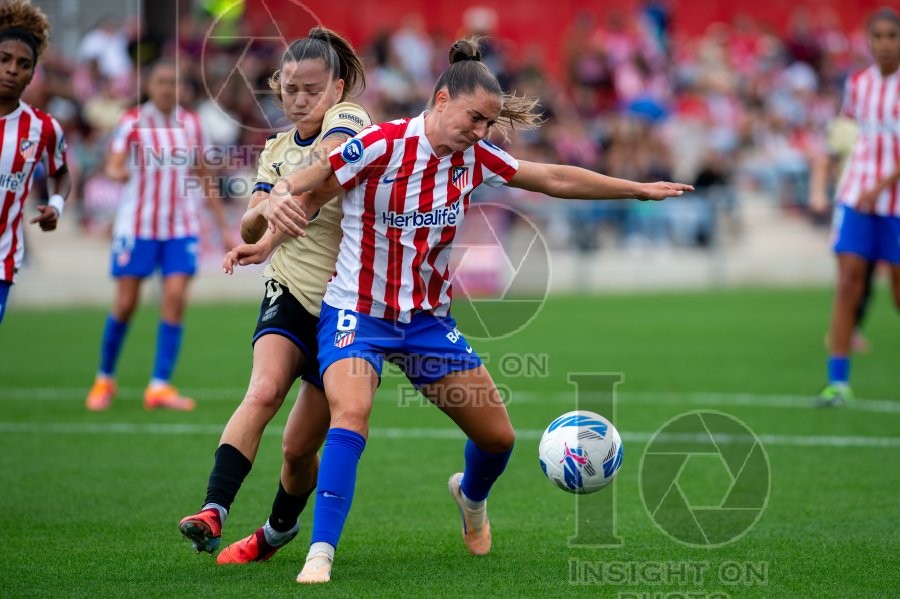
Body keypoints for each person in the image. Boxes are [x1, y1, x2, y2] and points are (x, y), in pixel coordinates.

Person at [266, 37, 692, 584]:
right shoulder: (380, 145)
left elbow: (553, 177)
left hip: (427, 323)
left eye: (489, 123)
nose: (481, 132)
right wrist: (280, 192)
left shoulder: (476, 156)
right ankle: (320, 553)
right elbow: (317, 175)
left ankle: (469, 499)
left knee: (499, 440)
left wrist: (636, 189)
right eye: (475, 119)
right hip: (358, 314)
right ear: (441, 100)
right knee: (350, 416)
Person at [178, 28, 370, 563]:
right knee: (262, 391)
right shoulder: (276, 150)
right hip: (289, 290)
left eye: (313, 89)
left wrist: (288, 194)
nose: (301, 99)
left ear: (336, 88)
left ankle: (279, 530)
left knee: (295, 450)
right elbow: (248, 219)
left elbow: (332, 158)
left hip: (346, 307)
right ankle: (212, 510)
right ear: (277, 88)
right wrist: (263, 220)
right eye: (291, 89)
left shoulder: (351, 120)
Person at [84, 59, 234, 411]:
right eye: (162, 80)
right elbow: (114, 161)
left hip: (181, 227)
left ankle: (159, 386)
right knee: (125, 304)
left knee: (176, 299)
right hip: (138, 226)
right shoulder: (133, 121)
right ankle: (104, 378)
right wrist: (116, 171)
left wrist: (224, 227)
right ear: (150, 86)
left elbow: (204, 175)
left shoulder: (192, 124)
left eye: (174, 81)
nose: (168, 87)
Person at [816, 8, 900, 407]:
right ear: (868, 40)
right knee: (849, 283)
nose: (885, 43)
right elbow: (847, 139)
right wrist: (836, 181)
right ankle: (838, 384)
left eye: (892, 36)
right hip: (856, 196)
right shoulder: (858, 85)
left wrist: (882, 185)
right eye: (878, 36)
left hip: (894, 201)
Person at [0, 0, 71, 325]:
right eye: (4, 60)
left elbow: (61, 173)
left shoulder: (43, 128)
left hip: (2, 259)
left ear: (32, 73)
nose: (13, 69)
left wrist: (55, 204)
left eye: (23, 64)